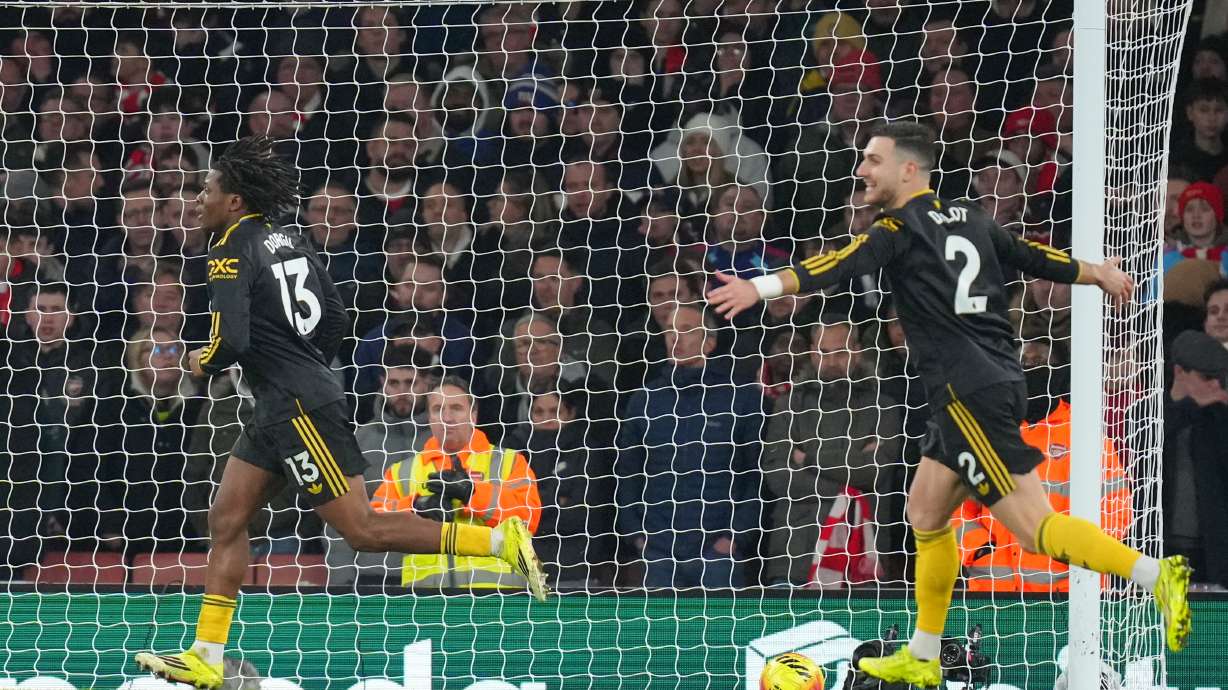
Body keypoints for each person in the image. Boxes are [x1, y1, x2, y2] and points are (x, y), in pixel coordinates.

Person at [707, 120, 1191, 686]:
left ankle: (1155, 573)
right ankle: (924, 653)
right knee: (926, 514)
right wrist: (1098, 273)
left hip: (969, 394)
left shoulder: (896, 228)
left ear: (908, 169)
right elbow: (1033, 255)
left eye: (873, 161)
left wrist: (758, 287)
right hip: (981, 386)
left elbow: (835, 264)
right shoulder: (971, 217)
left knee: (1037, 530)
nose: (862, 170)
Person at [134, 136, 547, 689]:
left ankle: (499, 541)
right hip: (283, 402)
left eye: (207, 189)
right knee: (227, 518)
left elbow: (228, 339)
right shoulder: (293, 240)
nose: (199, 198)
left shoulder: (229, 249)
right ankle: (207, 653)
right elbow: (334, 317)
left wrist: (199, 363)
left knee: (363, 530)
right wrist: (300, 360)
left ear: (234, 202)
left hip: (297, 407)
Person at [370, 378, 542, 589]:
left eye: (456, 408)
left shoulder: (508, 461)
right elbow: (372, 524)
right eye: (437, 409)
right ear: (429, 417)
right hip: (427, 604)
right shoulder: (402, 471)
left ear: (474, 414)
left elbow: (528, 519)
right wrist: (414, 507)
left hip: (498, 600)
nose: (447, 418)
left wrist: (473, 493)